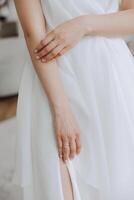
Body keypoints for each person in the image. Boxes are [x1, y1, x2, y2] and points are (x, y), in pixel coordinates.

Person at [12, 0, 134, 199]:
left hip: (110, 78)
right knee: (59, 182)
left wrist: (84, 25)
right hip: (52, 81)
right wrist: (61, 110)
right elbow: (33, 33)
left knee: (118, 181)